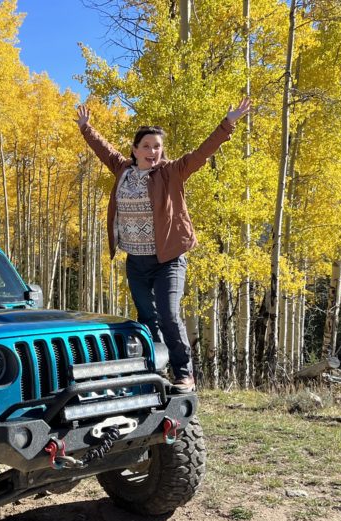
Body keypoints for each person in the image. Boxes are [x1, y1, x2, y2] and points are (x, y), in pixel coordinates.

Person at [76, 97, 251, 393]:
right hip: (136, 261)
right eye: (146, 146)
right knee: (147, 320)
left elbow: (201, 153)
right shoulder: (123, 171)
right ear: (135, 150)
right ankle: (153, 374)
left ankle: (184, 373)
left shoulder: (171, 172)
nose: (152, 152)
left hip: (168, 260)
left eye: (157, 147)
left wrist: (228, 123)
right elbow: (103, 150)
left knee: (169, 315)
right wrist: (86, 128)